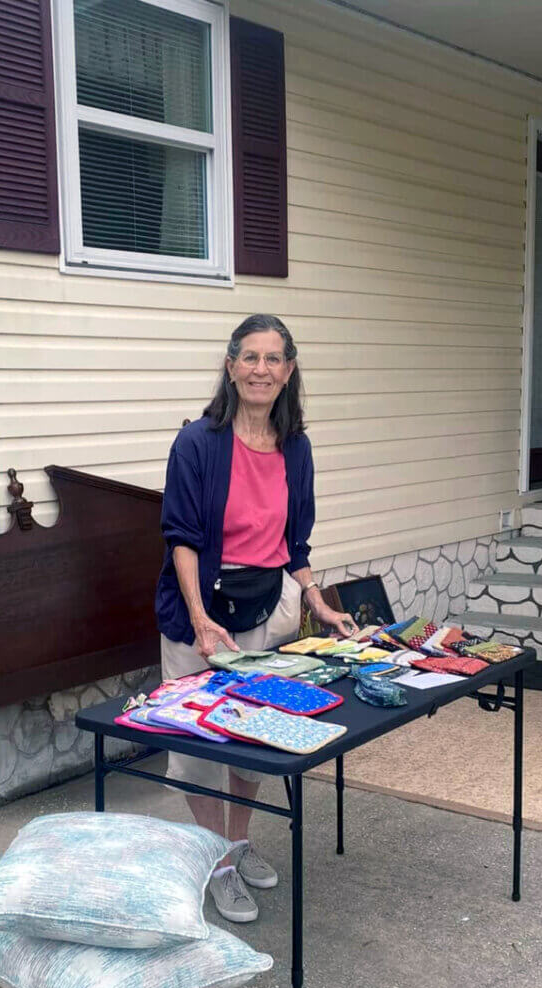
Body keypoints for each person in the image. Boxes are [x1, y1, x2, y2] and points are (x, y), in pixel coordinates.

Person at [155, 313, 355, 924]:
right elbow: (182, 537)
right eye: (250, 357)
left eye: (274, 359)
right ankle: (214, 863)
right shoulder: (198, 442)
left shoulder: (297, 447)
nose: (261, 369)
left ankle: (237, 844)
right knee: (197, 748)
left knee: (252, 741)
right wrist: (197, 617)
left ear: (289, 371)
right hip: (202, 616)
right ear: (230, 366)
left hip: (269, 614)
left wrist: (316, 597)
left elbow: (296, 543)